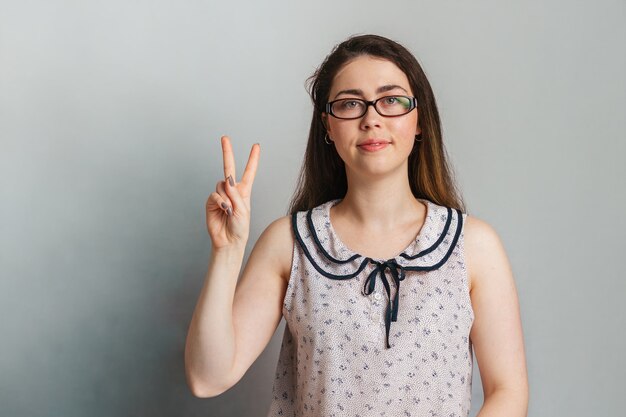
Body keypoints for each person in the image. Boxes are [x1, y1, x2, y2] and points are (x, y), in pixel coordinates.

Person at [185, 34, 528, 416]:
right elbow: (207, 377)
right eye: (350, 104)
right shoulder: (289, 243)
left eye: (391, 100)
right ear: (328, 127)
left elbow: (508, 391)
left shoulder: (474, 246)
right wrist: (227, 252)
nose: (372, 119)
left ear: (419, 120)